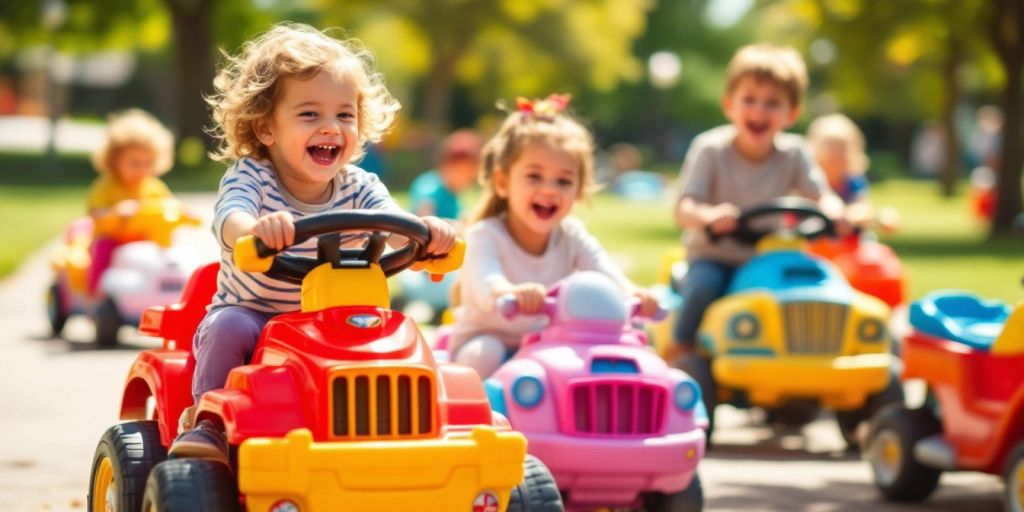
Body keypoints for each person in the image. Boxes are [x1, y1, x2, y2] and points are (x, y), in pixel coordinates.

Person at [168, 22, 456, 462]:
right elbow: (230, 216)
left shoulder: (360, 185)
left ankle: (406, 430)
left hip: (335, 324)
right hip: (258, 316)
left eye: (344, 115)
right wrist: (253, 231)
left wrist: (428, 234)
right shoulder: (254, 178)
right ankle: (209, 424)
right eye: (309, 114)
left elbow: (396, 222)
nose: (331, 127)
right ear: (266, 129)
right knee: (228, 326)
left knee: (397, 332)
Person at [449, 94, 660, 378]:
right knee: (486, 352)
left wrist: (633, 294)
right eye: (534, 176)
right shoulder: (485, 234)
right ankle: (475, 415)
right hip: (488, 340)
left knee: (600, 354)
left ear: (580, 190)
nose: (550, 189)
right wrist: (509, 292)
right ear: (502, 182)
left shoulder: (571, 236)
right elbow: (488, 282)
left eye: (563, 181)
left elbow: (605, 272)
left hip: (546, 346)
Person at [670, 43, 846, 360]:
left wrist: (836, 213)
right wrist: (709, 216)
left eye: (772, 103)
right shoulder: (711, 149)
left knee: (816, 287)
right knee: (705, 287)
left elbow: (821, 196)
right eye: (749, 100)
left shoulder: (794, 153)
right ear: (729, 105)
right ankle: (682, 347)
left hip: (770, 258)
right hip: (717, 256)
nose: (759, 111)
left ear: (791, 113)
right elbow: (685, 206)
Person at [86, 108, 176, 294]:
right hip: (113, 239)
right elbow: (96, 213)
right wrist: (115, 212)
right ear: (114, 160)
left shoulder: (154, 187)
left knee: (166, 254)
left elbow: (170, 206)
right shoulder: (107, 186)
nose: (141, 170)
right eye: (134, 163)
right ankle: (96, 294)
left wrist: (183, 212)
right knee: (102, 250)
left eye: (148, 163)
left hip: (144, 240)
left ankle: (160, 292)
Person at [408, 128, 482, 220]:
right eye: (463, 172)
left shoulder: (453, 193)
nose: (468, 179)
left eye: (471, 174)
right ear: (447, 166)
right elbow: (424, 215)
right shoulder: (430, 186)